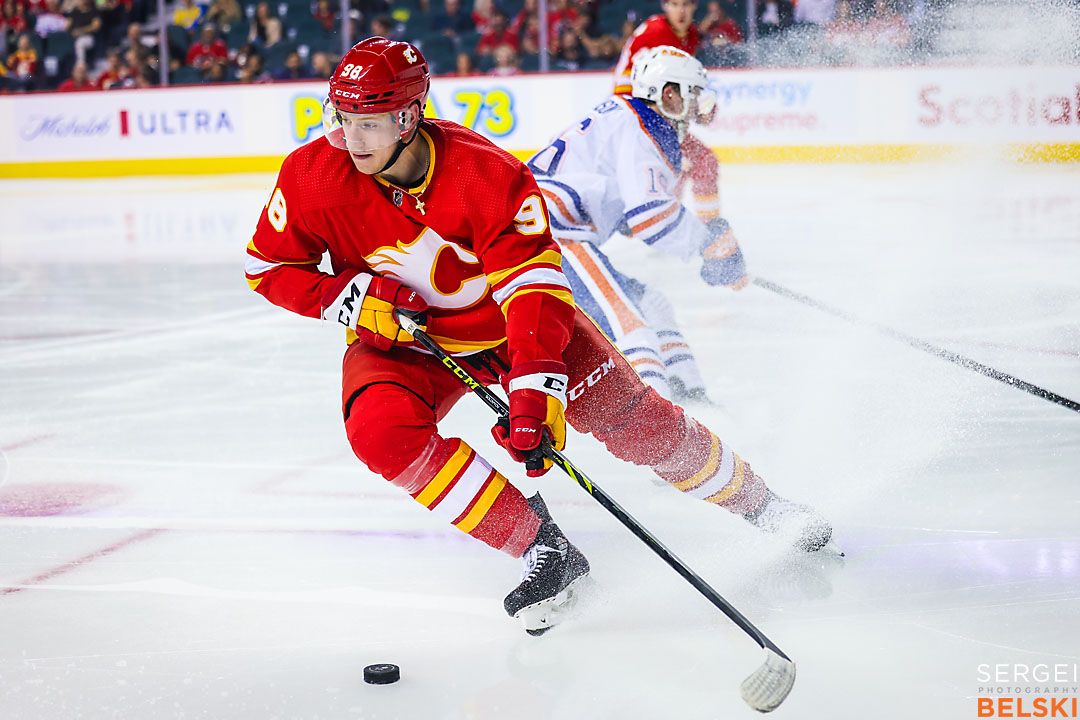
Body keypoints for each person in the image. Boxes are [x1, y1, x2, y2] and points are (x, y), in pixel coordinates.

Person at [244, 37, 832, 636]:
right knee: (381, 433)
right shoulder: (312, 177)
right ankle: (541, 546)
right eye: (339, 118)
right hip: (406, 338)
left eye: (365, 122)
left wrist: (534, 385)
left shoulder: (484, 172)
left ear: (407, 115)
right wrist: (351, 299)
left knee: (638, 422)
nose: (348, 137)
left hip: (510, 327)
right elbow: (268, 267)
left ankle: (764, 505)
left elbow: (535, 289)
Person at [528, 46, 741, 404]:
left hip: (549, 224)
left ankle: (692, 398)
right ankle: (662, 424)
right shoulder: (646, 128)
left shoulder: (628, 115)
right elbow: (649, 215)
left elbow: (625, 208)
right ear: (668, 93)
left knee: (652, 304)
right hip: (547, 233)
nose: (698, 103)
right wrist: (711, 246)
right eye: (694, 92)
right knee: (631, 327)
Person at [614, 0, 723, 227]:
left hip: (647, 114)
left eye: (685, 4)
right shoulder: (658, 34)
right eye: (674, 4)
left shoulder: (689, 34)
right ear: (665, 6)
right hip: (638, 116)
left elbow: (675, 90)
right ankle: (711, 230)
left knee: (678, 168)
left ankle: (661, 220)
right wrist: (694, 111)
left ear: (694, 6)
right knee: (702, 161)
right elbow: (648, 91)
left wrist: (691, 109)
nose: (681, 11)